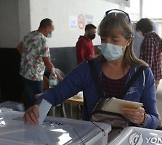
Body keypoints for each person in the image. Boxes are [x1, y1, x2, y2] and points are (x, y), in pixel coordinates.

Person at [23, 10, 159, 129]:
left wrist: (143, 119)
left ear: (128, 41)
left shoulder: (142, 74)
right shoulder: (88, 69)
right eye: (104, 39)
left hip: (127, 143)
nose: (107, 45)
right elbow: (58, 93)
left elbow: (154, 120)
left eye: (115, 40)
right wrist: (38, 105)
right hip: (93, 140)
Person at [17, 18, 62, 110]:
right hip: (35, 75)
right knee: (37, 102)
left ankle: (28, 118)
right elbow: (47, 61)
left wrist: (28, 58)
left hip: (24, 73)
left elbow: (19, 47)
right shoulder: (42, 40)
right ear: (47, 28)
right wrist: (59, 77)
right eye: (51, 30)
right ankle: (36, 121)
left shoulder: (30, 35)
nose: (51, 33)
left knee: (29, 99)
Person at [136, 18, 162, 88]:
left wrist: (144, 75)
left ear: (143, 29)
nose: (139, 32)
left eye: (139, 30)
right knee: (152, 92)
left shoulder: (149, 40)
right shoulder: (155, 36)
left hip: (152, 73)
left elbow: (148, 61)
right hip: (157, 72)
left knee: (148, 95)